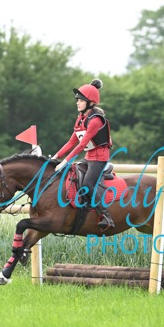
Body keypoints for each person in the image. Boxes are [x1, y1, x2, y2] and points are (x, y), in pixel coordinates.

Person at [53, 78, 115, 232]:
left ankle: (106, 216)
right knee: (71, 175)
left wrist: (65, 161)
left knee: (87, 184)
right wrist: (55, 157)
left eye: (80, 100)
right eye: (77, 100)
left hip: (100, 159)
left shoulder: (95, 121)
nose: (77, 103)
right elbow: (71, 142)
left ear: (90, 103)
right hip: (89, 158)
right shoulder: (81, 119)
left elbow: (81, 145)